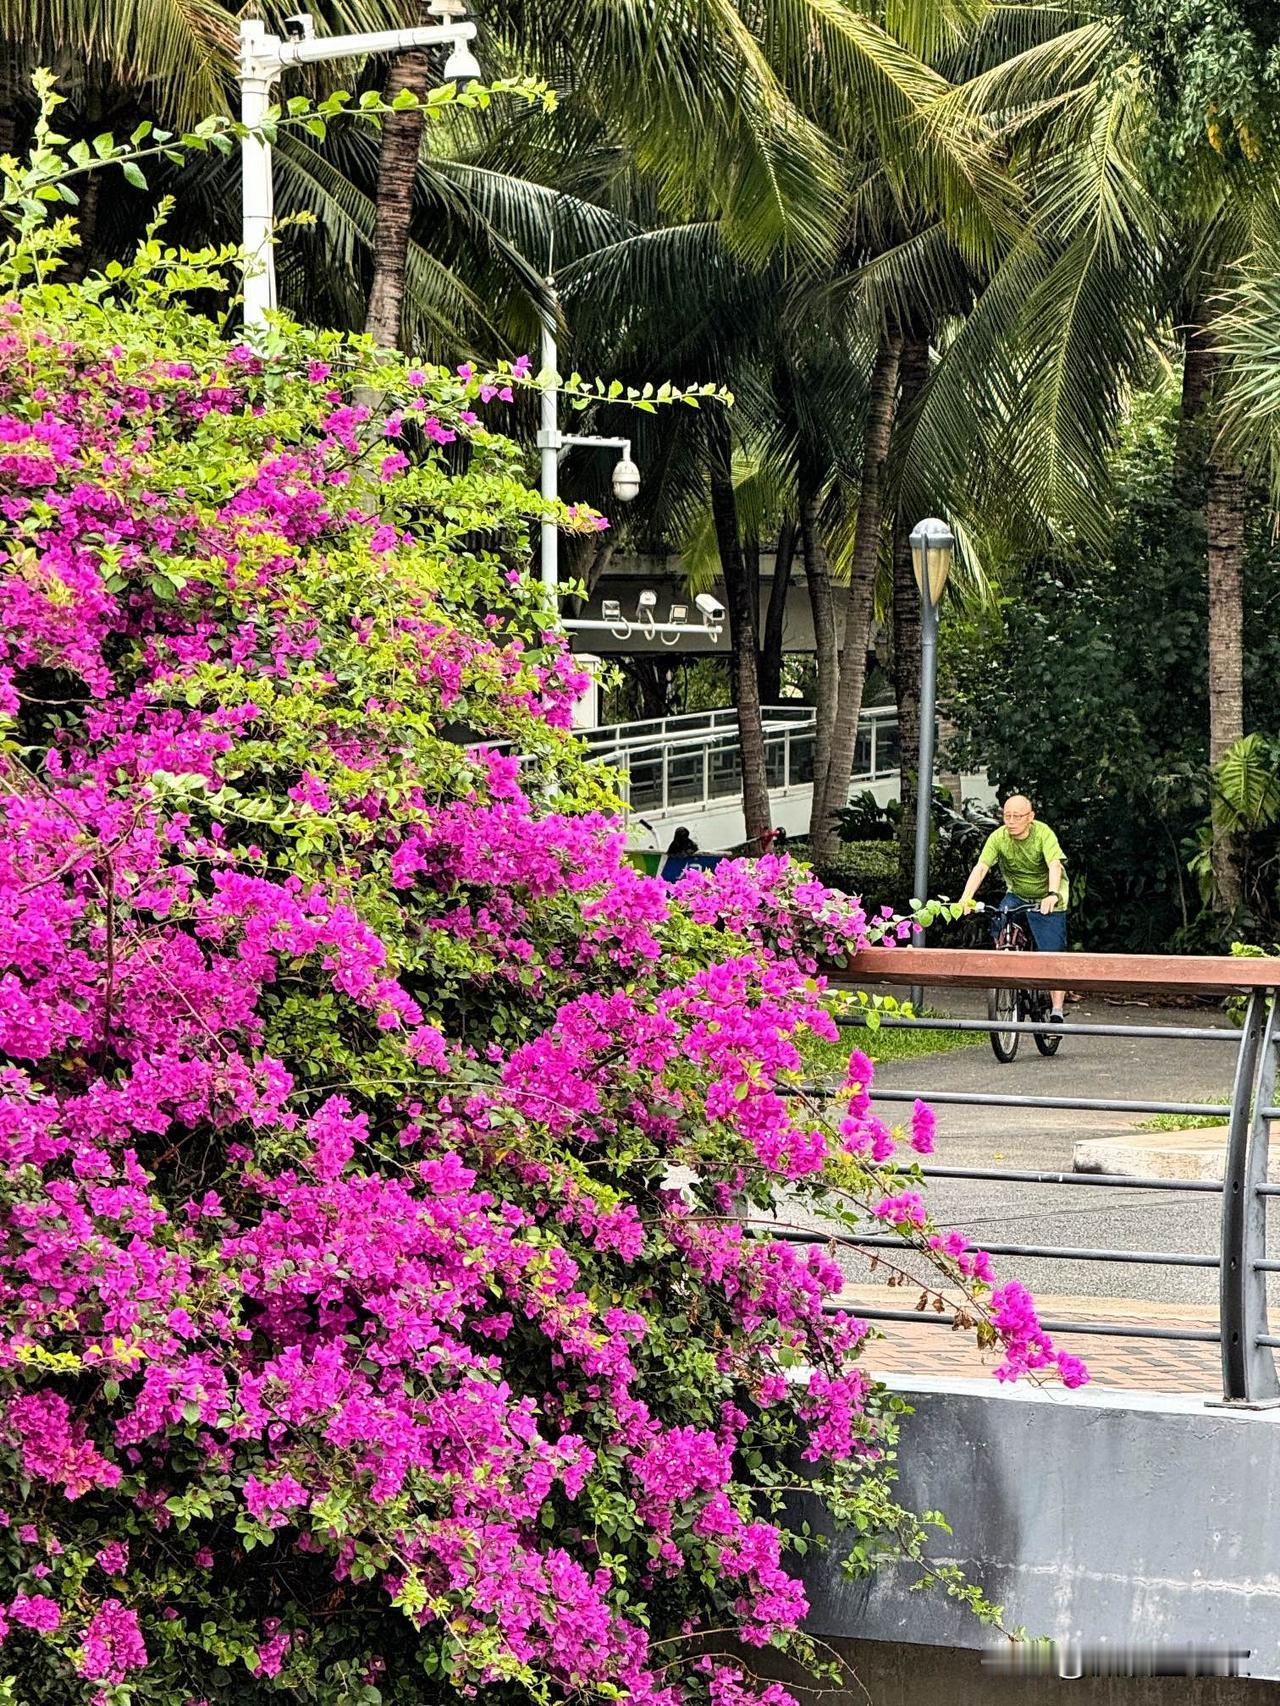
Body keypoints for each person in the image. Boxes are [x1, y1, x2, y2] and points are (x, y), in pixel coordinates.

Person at [959, 795, 1069, 1023]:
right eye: (1006, 816)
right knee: (1000, 920)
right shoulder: (998, 838)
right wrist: (965, 898)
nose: (1011, 821)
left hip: (1048, 895)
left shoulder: (1043, 833)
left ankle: (1057, 1010)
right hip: (1017, 894)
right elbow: (981, 867)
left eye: (1017, 816)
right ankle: (1009, 972)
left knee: (1052, 953)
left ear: (1030, 817)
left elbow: (1054, 864)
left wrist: (1052, 894)